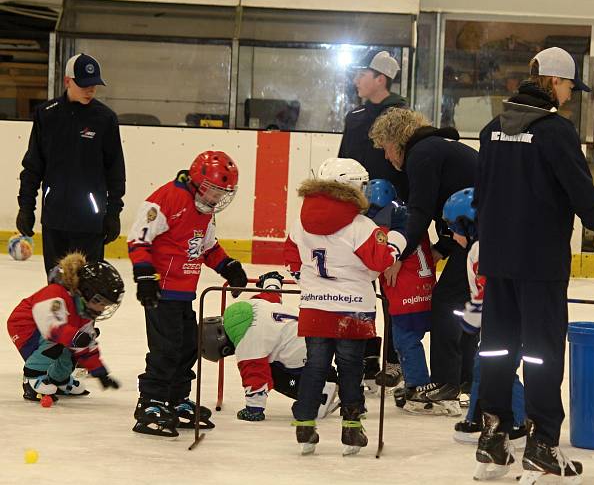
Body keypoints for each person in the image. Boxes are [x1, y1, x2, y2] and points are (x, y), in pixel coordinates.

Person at [473, 46, 594, 482]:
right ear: (556, 83)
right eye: (568, 88)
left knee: (497, 347)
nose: (568, 96)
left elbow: (481, 195)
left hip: (498, 260)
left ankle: (493, 434)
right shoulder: (556, 133)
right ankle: (542, 444)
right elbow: (588, 205)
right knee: (541, 354)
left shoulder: (490, 130)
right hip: (541, 264)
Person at [283, 158, 407, 456]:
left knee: (315, 365)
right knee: (351, 366)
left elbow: (291, 259)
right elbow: (379, 262)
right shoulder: (362, 225)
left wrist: (315, 284)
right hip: (353, 308)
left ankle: (305, 425)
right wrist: (396, 243)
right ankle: (351, 429)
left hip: (314, 306)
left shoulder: (300, 221)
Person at [127, 150, 248, 438]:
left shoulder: (205, 210)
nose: (216, 198)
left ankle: (176, 398)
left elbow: (206, 248)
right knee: (166, 349)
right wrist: (145, 276)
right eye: (212, 190)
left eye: (222, 192)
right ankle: (151, 403)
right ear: (196, 180)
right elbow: (138, 238)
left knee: (187, 347)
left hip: (184, 292)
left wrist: (229, 267)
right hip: (160, 290)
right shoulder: (166, 199)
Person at [369, 108, 479, 407]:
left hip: (485, 232)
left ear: (397, 140)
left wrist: (397, 255)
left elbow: (421, 211)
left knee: (446, 300)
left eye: (387, 149)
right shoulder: (437, 148)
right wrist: (442, 248)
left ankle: (446, 382)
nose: (388, 158)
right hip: (484, 231)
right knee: (468, 302)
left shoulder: (422, 153)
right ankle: (466, 378)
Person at [17, 53, 126, 274]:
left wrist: (113, 212)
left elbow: (115, 171)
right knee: (56, 292)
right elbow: (32, 167)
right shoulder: (46, 115)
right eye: (84, 84)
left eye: (94, 84)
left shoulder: (105, 119)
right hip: (54, 222)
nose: (90, 90)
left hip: (90, 224)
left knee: (89, 293)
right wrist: (26, 207)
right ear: (68, 81)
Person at [339, 50, 407, 388]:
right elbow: (341, 168)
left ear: (380, 78)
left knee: (394, 289)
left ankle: (395, 359)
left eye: (361, 74)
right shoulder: (355, 118)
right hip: (356, 215)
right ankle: (365, 352)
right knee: (356, 285)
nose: (355, 80)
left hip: (392, 215)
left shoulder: (403, 117)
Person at [441, 188, 527, 447]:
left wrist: (472, 317)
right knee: (484, 368)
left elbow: (485, 290)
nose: (453, 237)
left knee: (501, 371)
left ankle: (519, 423)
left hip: (503, 324)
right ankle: (476, 418)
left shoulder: (481, 249)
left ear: (470, 223)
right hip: (505, 322)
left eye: (454, 228)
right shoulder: (496, 242)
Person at [200, 271, 340, 422]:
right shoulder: (251, 304)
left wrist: (254, 410)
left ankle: (319, 396)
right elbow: (271, 295)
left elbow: (256, 379)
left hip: (304, 356)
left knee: (270, 372)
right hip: (316, 337)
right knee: (275, 354)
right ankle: (330, 377)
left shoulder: (247, 343)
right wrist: (271, 281)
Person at [7, 252, 124, 402]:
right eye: (100, 302)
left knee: (73, 349)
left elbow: (86, 347)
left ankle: (58, 379)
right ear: (87, 292)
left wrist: (99, 372)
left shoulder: (84, 311)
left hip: (54, 329)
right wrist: (75, 337)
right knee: (56, 344)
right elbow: (51, 327)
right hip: (25, 326)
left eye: (106, 305)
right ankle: (32, 378)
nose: (102, 309)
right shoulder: (55, 293)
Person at [363, 179, 438, 413]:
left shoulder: (384, 225)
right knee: (408, 340)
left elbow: (377, 260)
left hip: (406, 294)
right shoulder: (408, 219)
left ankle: (418, 387)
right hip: (422, 290)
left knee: (406, 342)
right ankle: (416, 382)